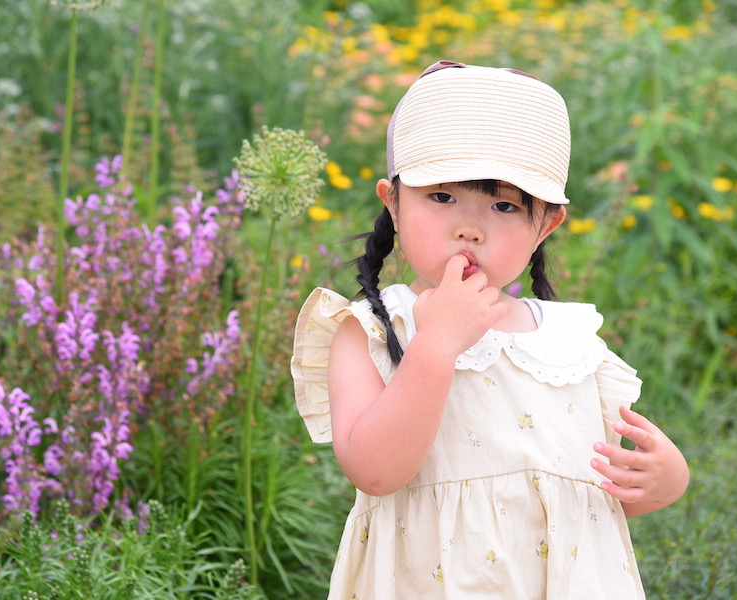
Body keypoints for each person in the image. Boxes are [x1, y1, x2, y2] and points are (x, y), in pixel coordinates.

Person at [290, 60, 689, 599]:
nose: (469, 228)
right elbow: (375, 472)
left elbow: (589, 500)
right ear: (394, 203)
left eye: (504, 205)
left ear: (545, 225)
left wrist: (663, 482)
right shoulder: (374, 329)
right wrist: (436, 345)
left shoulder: (567, 343)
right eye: (442, 197)